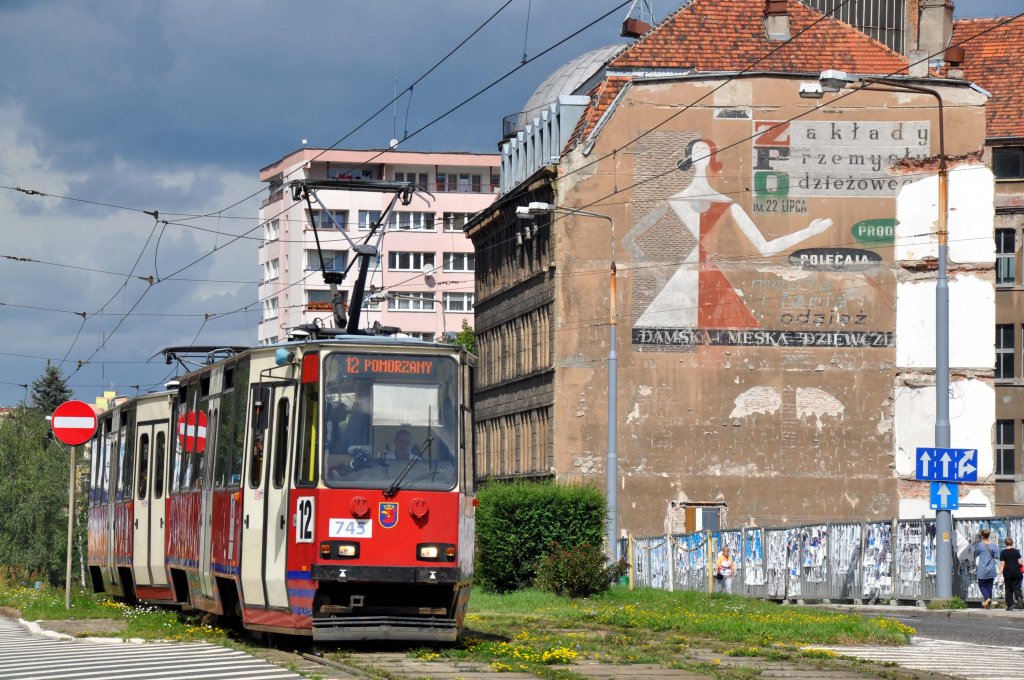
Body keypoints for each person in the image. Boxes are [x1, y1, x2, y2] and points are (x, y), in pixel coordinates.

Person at [630, 138, 833, 330]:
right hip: (675, 301)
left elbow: (766, 249)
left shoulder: (728, 205)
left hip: (717, 301)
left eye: (706, 151)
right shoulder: (672, 202)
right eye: (697, 150)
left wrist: (809, 231)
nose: (701, 155)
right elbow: (631, 240)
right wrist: (657, 275)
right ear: (688, 157)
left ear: (713, 158)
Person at [974, 529, 999, 608]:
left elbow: (974, 553)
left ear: (981, 536)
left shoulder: (980, 545)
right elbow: (997, 556)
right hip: (991, 569)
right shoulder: (993, 545)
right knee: (989, 586)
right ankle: (987, 603)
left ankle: (987, 599)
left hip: (982, 570)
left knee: (982, 585)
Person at [997, 536, 1023, 611]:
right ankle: (1019, 597)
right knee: (1017, 586)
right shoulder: (1016, 551)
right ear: (1012, 543)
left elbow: (1002, 564)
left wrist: (999, 575)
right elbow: (1020, 562)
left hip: (1008, 573)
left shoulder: (1003, 552)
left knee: (1008, 589)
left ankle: (1010, 605)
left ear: (1005, 543)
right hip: (1017, 572)